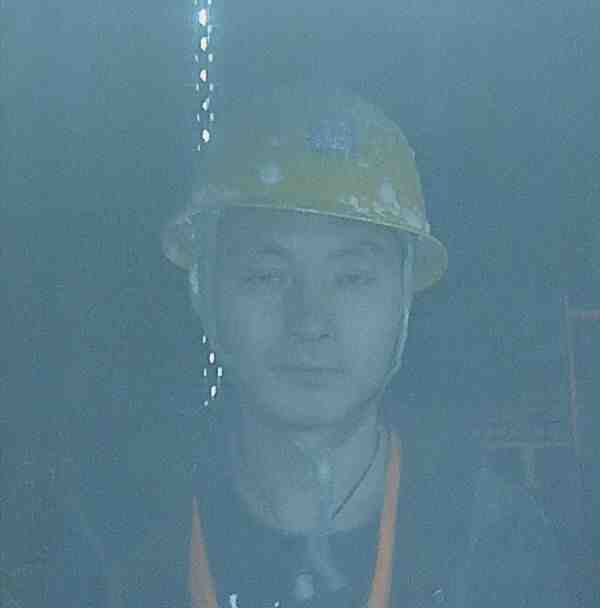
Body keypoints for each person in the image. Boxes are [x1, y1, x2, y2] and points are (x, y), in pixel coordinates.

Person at [50, 80, 571, 607]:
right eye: (267, 275)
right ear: (204, 292)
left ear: (403, 300)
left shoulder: (493, 546)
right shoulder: (116, 538)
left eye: (352, 278)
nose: (310, 322)